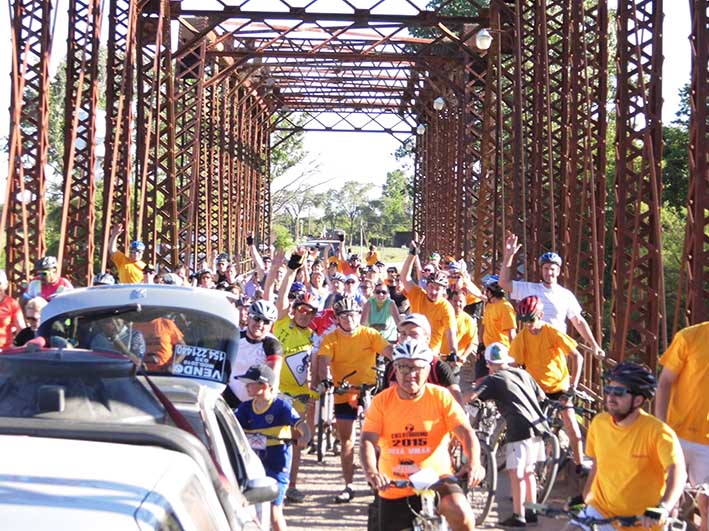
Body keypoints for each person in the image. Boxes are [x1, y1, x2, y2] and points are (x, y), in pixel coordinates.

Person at [361, 339, 484, 531]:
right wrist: (372, 472)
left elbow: (466, 432)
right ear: (395, 369)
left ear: (427, 370)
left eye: (418, 368)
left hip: (437, 479)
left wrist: (474, 463)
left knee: (460, 510)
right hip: (395, 485)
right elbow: (368, 440)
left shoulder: (441, 396)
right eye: (404, 368)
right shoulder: (382, 402)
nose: (411, 374)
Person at [566, 362, 686, 531]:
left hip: (642, 521)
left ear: (638, 400)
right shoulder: (599, 423)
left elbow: (677, 472)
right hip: (602, 510)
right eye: (608, 390)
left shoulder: (658, 432)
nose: (610, 397)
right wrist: (585, 497)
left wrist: (663, 507)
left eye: (619, 392)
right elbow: (597, 466)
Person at [317, 296, 393, 503]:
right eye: (344, 316)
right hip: (346, 392)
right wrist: (325, 380)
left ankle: (378, 480)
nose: (349, 319)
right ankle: (348, 485)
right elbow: (323, 360)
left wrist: (402, 363)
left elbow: (389, 352)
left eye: (353, 315)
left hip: (369, 390)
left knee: (378, 438)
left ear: (359, 315)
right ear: (337, 319)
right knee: (347, 439)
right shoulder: (331, 339)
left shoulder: (370, 334)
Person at [465, 343, 549, 527]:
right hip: (539, 424)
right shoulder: (523, 373)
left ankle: (518, 516)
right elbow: (542, 396)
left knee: (516, 472)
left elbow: (471, 397)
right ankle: (531, 511)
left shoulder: (493, 379)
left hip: (518, 426)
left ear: (488, 363)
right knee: (529, 471)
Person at [510, 295, 587, 471]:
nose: (528, 324)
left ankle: (579, 464)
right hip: (536, 389)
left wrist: (573, 386)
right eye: (524, 320)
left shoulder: (552, 332)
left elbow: (578, 357)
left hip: (559, 387)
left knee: (572, 427)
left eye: (531, 319)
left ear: (541, 315)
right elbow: (514, 364)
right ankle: (532, 466)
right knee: (530, 428)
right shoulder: (522, 337)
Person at [499, 233, 604, 359]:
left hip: (556, 352)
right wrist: (509, 256)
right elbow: (503, 283)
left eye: (552, 269)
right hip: (533, 350)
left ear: (558, 271)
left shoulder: (566, 295)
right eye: (546, 268)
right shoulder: (530, 289)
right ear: (541, 270)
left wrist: (594, 345)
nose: (549, 272)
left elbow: (579, 321)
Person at [235, 364, 310, 531]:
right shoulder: (245, 408)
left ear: (264, 385)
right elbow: (231, 426)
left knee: (274, 512)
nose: (246, 387)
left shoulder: (281, 406)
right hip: (253, 463)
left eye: (250, 383)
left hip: (277, 463)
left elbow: (301, 425)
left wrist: (305, 437)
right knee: (250, 510)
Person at [270, 248, 319, 503]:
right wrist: (291, 270)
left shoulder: (312, 336)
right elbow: (279, 301)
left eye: (309, 312)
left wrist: (317, 390)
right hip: (277, 392)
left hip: (299, 395)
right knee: (273, 439)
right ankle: (271, 482)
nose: (304, 313)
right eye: (301, 309)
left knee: (297, 442)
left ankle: (292, 485)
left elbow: (315, 367)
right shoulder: (282, 324)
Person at [655, 321, 709, 531]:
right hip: (677, 434)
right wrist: (661, 426)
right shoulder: (690, 336)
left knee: (706, 505)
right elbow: (665, 382)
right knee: (668, 501)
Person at [383, 313, 464, 404]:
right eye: (403, 334)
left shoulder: (437, 367)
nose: (407, 339)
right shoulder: (392, 367)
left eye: (413, 334)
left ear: (427, 338)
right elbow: (383, 401)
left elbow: (458, 404)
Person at [401, 240, 458, 356]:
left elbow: (450, 332)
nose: (434, 291)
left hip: (430, 353)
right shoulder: (418, 295)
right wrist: (412, 254)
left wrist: (453, 351)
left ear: (444, 291)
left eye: (438, 289)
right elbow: (404, 277)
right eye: (431, 287)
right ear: (426, 286)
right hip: (411, 348)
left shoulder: (446, 307)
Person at [225, 300, 284, 408]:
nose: (260, 324)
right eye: (257, 319)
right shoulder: (235, 337)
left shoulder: (272, 345)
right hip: (229, 395)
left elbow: (271, 377)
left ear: (271, 325)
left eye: (266, 321)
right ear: (248, 318)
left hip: (256, 400)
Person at [0, 270, 25, 349]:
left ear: (5, 285)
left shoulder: (12, 304)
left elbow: (21, 329)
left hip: (4, 352)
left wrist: (18, 347)